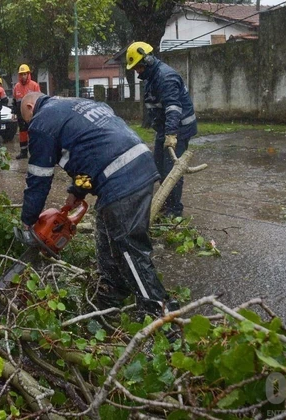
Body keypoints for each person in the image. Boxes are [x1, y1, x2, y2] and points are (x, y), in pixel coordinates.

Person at [15, 92, 179, 315]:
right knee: (105, 231)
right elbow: (94, 150)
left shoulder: (41, 122)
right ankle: (113, 292)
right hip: (139, 162)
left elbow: (39, 178)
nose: (29, 123)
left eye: (27, 118)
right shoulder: (76, 104)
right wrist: (77, 192)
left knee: (128, 247)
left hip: (121, 177)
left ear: (31, 106)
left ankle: (159, 311)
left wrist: (28, 221)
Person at [126, 41, 197, 218]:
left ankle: (174, 211)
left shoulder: (166, 77)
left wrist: (172, 134)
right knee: (158, 167)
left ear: (148, 60)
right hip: (165, 129)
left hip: (178, 130)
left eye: (138, 67)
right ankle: (166, 205)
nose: (137, 72)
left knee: (171, 170)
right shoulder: (151, 77)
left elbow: (173, 107)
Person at [11, 64, 41, 159]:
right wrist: (14, 113)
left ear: (28, 74)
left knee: (33, 133)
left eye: (25, 74)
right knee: (22, 133)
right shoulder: (17, 87)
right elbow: (14, 101)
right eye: (21, 74)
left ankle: (35, 152)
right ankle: (23, 152)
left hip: (32, 115)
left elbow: (39, 100)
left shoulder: (34, 85)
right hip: (21, 115)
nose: (23, 76)